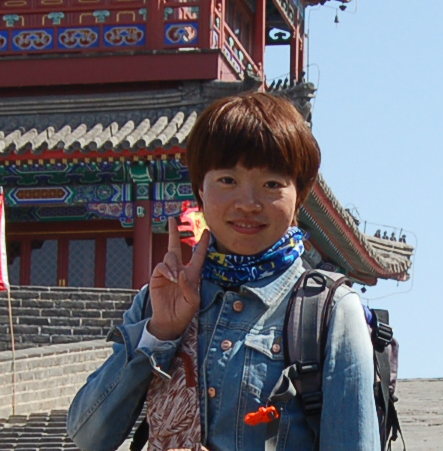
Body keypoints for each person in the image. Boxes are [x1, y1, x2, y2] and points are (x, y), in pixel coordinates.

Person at [67, 92, 379, 451]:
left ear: (300, 195)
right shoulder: (159, 301)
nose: (247, 203)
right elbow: (88, 436)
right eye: (227, 180)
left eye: (272, 184)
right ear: (200, 189)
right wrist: (160, 334)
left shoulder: (329, 311)